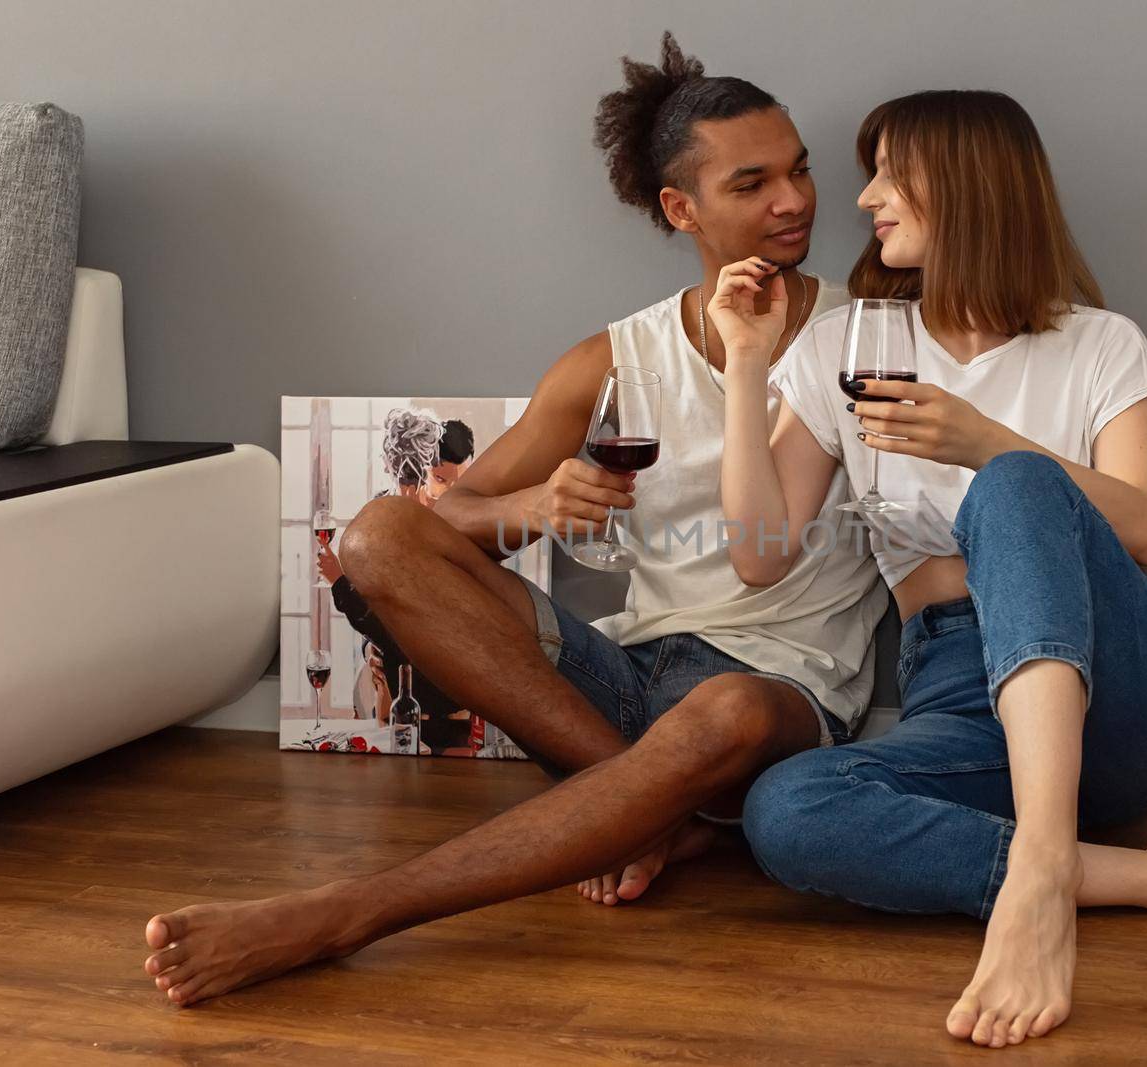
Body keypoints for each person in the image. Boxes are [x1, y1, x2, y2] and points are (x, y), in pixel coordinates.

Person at [140, 32, 886, 1007]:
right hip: (630, 684)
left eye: (799, 170)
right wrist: (532, 504)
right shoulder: (611, 359)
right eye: (752, 183)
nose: (793, 201)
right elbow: (445, 521)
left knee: (728, 708)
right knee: (376, 537)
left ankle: (344, 913)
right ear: (680, 207)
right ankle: (645, 807)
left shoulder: (863, 330)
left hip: (778, 701)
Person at [711, 90, 1147, 1049]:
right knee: (787, 810)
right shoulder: (844, 344)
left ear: (972, 184)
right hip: (960, 697)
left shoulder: (1103, 343)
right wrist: (746, 362)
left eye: (893, 172)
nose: (866, 199)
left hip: (1125, 699)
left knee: (1018, 484)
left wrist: (985, 441)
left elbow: (1144, 527)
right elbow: (757, 553)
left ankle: (1034, 886)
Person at [318, 412, 479, 752]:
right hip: (397, 683)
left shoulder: (466, 524)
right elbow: (374, 604)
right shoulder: (383, 518)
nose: (449, 493)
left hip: (450, 688)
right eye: (440, 479)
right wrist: (370, 648)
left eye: (459, 483)